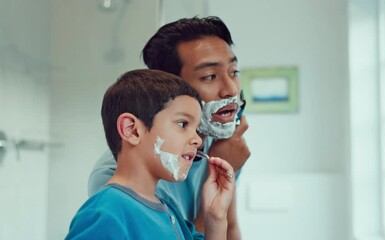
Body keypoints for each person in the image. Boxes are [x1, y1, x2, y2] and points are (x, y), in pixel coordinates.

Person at [88, 16, 250, 239]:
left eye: (233, 72)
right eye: (210, 76)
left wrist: (216, 212)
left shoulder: (223, 148)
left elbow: (230, 227)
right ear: (172, 87)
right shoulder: (117, 179)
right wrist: (210, 214)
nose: (231, 89)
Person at [66, 69, 235, 239]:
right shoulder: (107, 212)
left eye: (196, 128)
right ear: (132, 130)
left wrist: (216, 216)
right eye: (183, 124)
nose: (197, 140)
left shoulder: (170, 213)